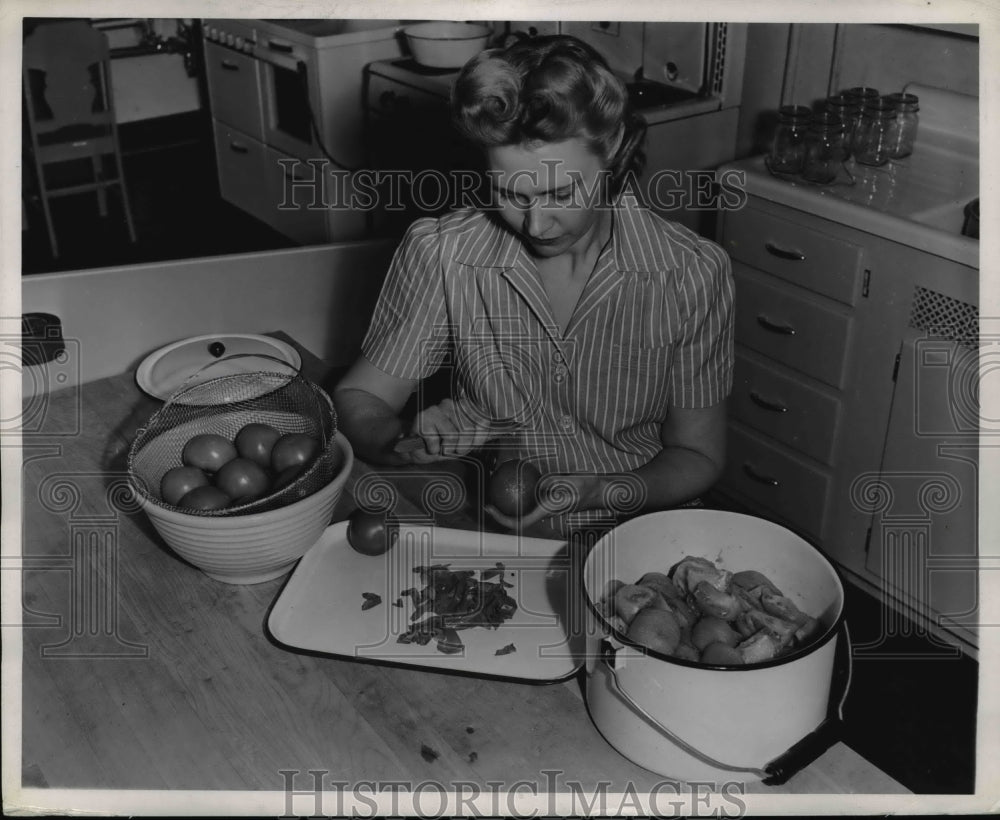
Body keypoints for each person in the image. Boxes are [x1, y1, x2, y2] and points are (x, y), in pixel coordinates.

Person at [334, 34, 734, 536]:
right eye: (508, 192)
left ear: (611, 154)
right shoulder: (443, 253)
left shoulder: (689, 273)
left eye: (561, 192)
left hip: (645, 539)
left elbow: (697, 455)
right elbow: (357, 399)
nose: (536, 224)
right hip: (508, 538)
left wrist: (598, 489)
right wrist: (404, 436)